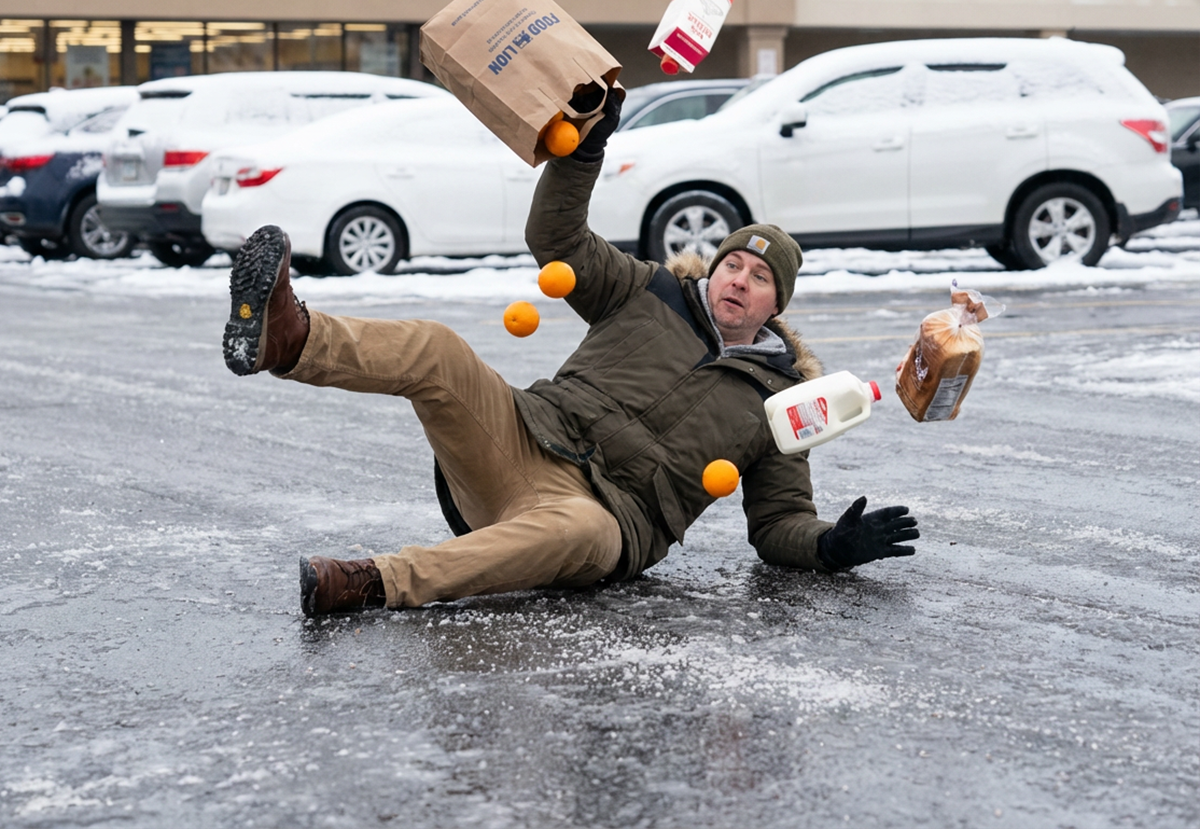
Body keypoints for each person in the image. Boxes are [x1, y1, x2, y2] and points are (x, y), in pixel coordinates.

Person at [221, 92, 919, 617]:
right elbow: (557, 239)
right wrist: (582, 152)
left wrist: (830, 547)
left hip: (605, 520)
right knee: (438, 348)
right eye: (733, 263)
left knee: (579, 526)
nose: (739, 279)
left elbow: (776, 524)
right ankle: (290, 337)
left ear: (777, 305)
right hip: (520, 440)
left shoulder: (781, 399)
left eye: (759, 278)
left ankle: (373, 581)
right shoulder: (648, 291)